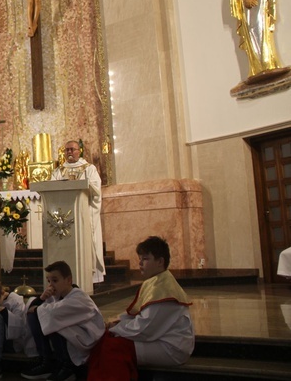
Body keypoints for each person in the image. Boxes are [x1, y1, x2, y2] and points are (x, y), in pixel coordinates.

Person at [87, 236, 194, 380]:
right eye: (140, 258)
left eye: (145, 259)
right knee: (105, 341)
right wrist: (117, 324)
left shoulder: (163, 288)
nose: (140, 263)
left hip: (171, 347)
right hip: (158, 338)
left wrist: (116, 329)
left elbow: (145, 328)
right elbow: (137, 315)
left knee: (113, 347)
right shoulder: (156, 282)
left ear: (160, 261)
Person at [22, 260, 105, 381]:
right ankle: (47, 362)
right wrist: (42, 298)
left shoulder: (79, 297)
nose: (50, 285)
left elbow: (53, 313)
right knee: (36, 316)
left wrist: (37, 309)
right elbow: (32, 310)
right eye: (48, 281)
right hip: (73, 334)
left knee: (53, 320)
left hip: (86, 337)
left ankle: (67, 367)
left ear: (68, 280)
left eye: (55, 281)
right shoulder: (57, 296)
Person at [52, 140, 105, 283]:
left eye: (72, 149)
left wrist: (83, 185)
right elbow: (52, 188)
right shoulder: (58, 171)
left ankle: (90, 274)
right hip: (65, 215)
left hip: (83, 213)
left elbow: (96, 188)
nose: (69, 152)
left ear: (79, 151)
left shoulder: (89, 169)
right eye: (67, 150)